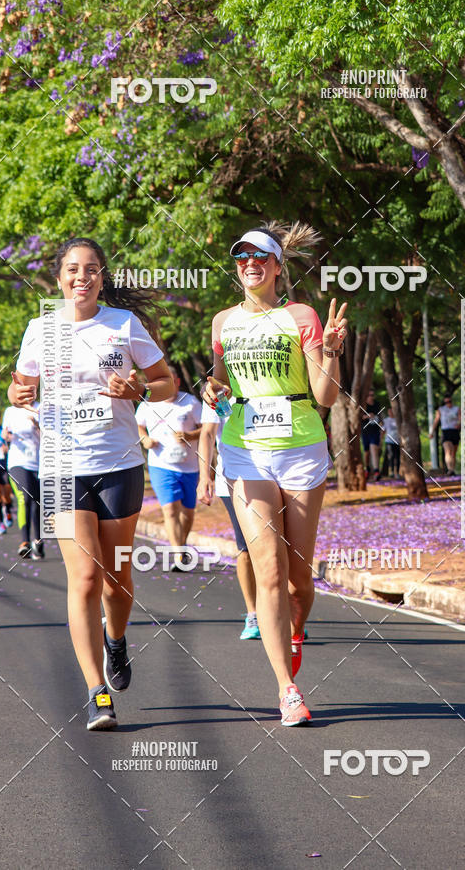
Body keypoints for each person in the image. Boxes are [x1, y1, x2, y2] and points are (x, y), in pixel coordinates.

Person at [8, 236, 174, 731]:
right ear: (59, 278)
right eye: (73, 269)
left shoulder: (122, 325)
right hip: (61, 464)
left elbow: (167, 382)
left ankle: (116, 640)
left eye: (92, 269)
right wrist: (20, 393)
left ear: (102, 277)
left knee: (116, 580)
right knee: (83, 578)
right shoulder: (41, 329)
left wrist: (139, 388)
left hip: (119, 464)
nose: (82, 276)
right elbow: (22, 387)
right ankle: (97, 690)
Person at [202, 221, 348, 727]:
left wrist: (329, 350)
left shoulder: (301, 315)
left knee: (298, 579)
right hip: (244, 451)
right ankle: (287, 690)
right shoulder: (223, 323)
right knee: (269, 571)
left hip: (301, 449)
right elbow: (220, 382)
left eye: (259, 257)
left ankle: (295, 629)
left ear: (278, 266)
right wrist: (211, 391)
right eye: (241, 258)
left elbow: (326, 397)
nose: (249, 265)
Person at [197, 396, 259, 639]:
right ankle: (253, 613)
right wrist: (205, 476)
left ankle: (283, 612)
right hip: (233, 479)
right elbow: (208, 434)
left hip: (276, 476)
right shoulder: (217, 391)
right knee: (246, 547)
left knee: (278, 548)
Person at [136, 366, 201, 571]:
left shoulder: (190, 403)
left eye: (171, 382)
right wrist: (145, 438)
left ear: (178, 382)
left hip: (189, 467)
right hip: (160, 465)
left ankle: (181, 543)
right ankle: (179, 555)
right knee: (170, 509)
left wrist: (190, 436)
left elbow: (207, 428)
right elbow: (138, 425)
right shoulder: (148, 404)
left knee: (188, 513)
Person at [2, 402, 43, 559]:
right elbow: (5, 435)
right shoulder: (10, 411)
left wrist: (36, 424)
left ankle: (38, 541)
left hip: (39, 462)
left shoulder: (40, 407)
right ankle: (24, 542)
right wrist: (6, 436)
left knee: (37, 502)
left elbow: (51, 435)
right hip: (18, 462)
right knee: (24, 498)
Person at [429, 393, 460, 475]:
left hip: (454, 431)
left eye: (449, 401)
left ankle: (452, 469)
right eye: (446, 402)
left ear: (451, 401)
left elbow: (461, 418)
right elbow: (436, 420)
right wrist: (432, 432)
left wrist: (459, 424)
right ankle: (449, 469)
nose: (448, 403)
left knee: (453, 453)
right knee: (448, 450)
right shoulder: (441, 409)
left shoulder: (456, 409)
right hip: (445, 432)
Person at [361, 388, 382, 480]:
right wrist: (367, 416)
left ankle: (377, 471)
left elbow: (381, 417)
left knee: (374, 449)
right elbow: (358, 416)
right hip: (365, 431)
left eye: (373, 395)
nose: (371, 397)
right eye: (369, 395)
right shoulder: (363, 405)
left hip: (375, 430)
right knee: (367, 452)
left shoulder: (377, 404)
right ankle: (367, 469)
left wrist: (380, 423)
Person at [382, 407, 400, 477]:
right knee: (391, 456)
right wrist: (381, 440)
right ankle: (392, 472)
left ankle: (397, 472)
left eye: (392, 411)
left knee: (397, 457)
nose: (391, 413)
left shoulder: (398, 420)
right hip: (389, 441)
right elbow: (383, 430)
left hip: (397, 441)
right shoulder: (386, 420)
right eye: (389, 411)